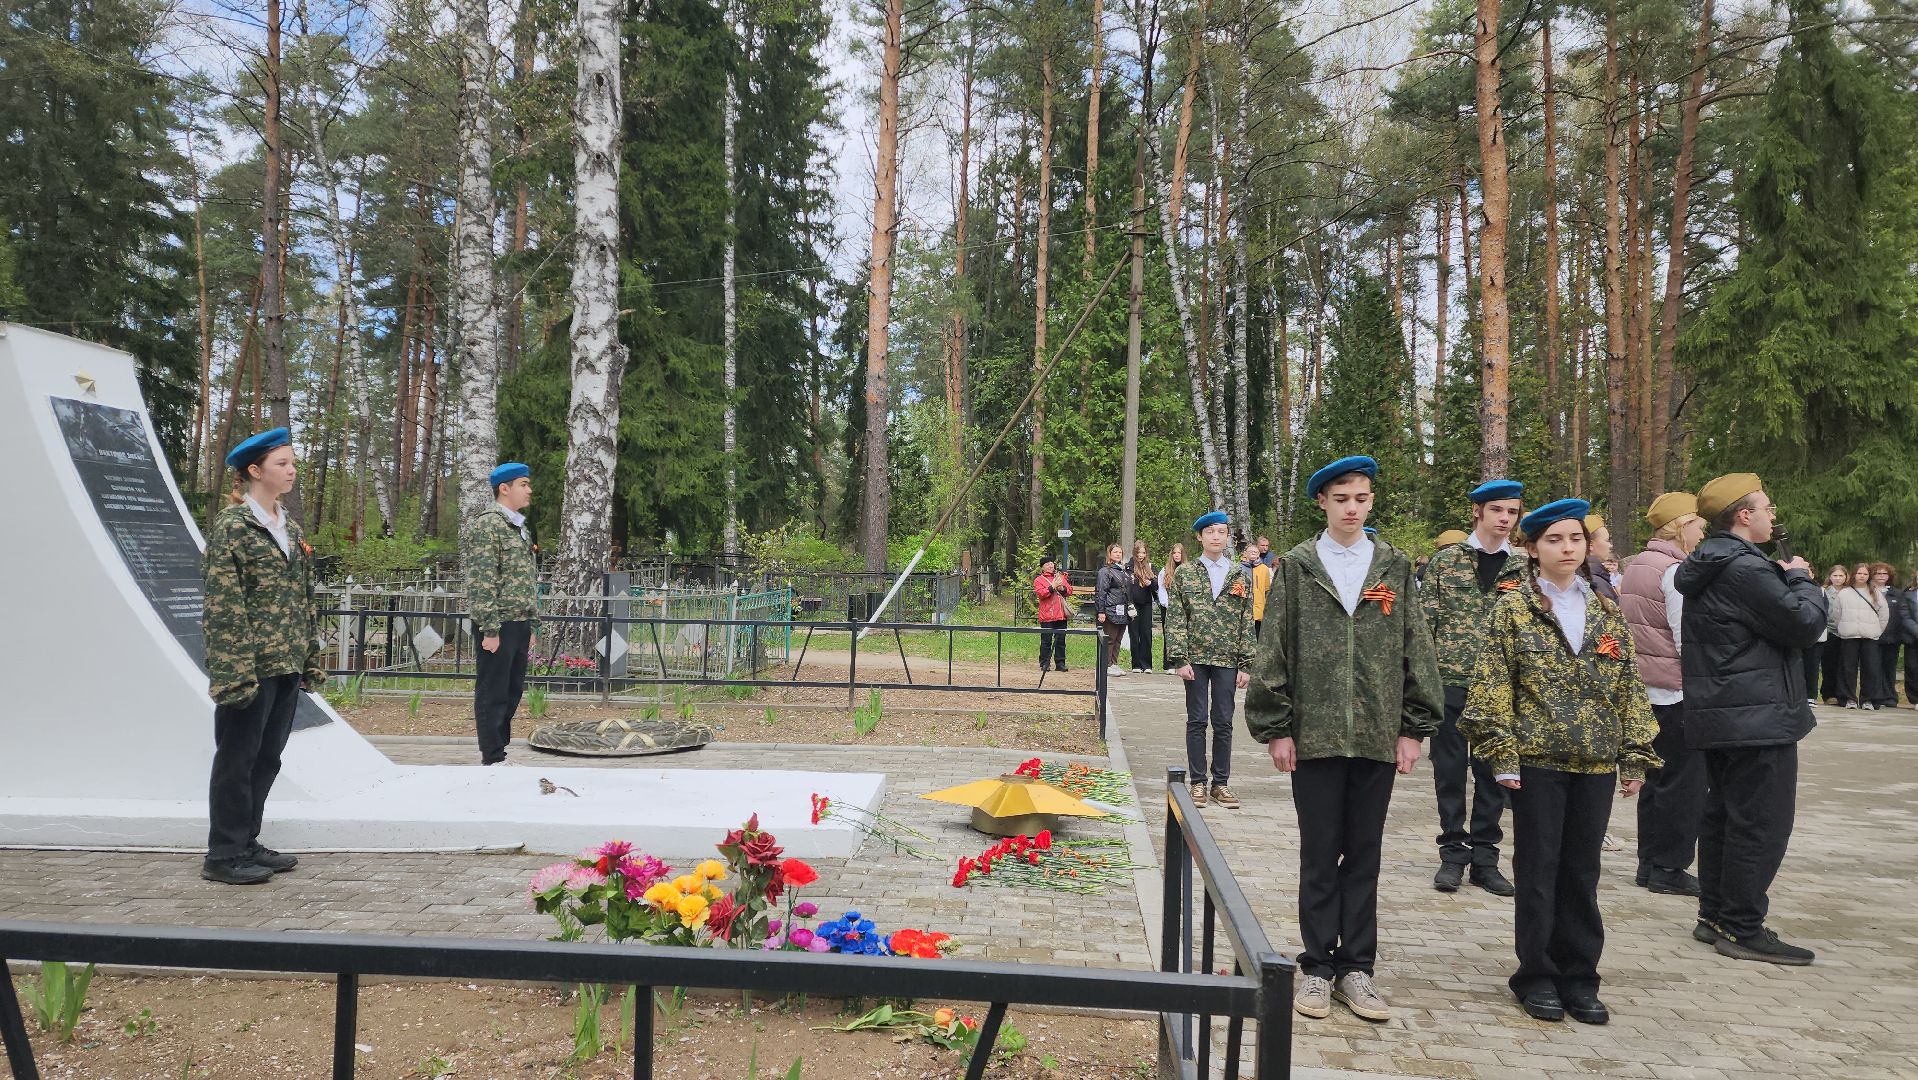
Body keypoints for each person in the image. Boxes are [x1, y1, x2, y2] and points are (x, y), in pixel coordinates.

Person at [1247, 456, 1441, 1023]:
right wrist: (1276, 727)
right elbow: (1274, 647)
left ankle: (1357, 967)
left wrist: (1413, 727)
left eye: (1361, 498)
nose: (1352, 508)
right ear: (1323, 503)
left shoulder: (1395, 567)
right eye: (1341, 498)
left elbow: (1416, 647)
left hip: (1378, 736)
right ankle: (1315, 967)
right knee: (1318, 852)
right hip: (1316, 735)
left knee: (1364, 854)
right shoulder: (1299, 567)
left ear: (1371, 501)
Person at [1461, 498, 1660, 1024]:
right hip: (1536, 761)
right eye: (1554, 539)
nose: (1567, 548)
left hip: (1594, 763)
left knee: (1582, 871)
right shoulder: (1512, 608)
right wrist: (1502, 753)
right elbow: (1493, 687)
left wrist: (1635, 754)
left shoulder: (1605, 610)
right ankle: (1537, 974)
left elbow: (1628, 686)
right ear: (1532, 549)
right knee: (1538, 870)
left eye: (1575, 538)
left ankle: (1580, 976)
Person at [1676, 473, 1825, 965]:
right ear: (1744, 515)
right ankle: (1741, 925)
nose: (1771, 514)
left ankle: (1716, 915)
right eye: (1765, 506)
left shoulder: (1713, 563)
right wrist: (1802, 579)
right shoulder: (1745, 569)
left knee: (1724, 815)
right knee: (1760, 822)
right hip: (1756, 714)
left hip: (1728, 711)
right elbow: (1803, 625)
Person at [201, 428, 328, 886]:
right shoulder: (234, 527)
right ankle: (223, 853)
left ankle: (247, 841)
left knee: (267, 758)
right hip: (249, 666)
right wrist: (233, 673)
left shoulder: (288, 526)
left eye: (293, 463)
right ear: (254, 471)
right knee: (237, 759)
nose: (291, 470)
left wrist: (310, 658)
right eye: (282, 464)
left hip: (285, 662)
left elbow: (304, 597)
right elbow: (222, 605)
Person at [1419, 479, 1525, 897]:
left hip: (1500, 689)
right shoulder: (1447, 564)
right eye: (1497, 510)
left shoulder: (1522, 568)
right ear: (1477, 512)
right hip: (1449, 682)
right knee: (1448, 772)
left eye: (1512, 512)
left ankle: (1485, 858)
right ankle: (1452, 853)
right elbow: (1424, 628)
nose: (1504, 519)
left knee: (1493, 775)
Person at [1620, 491, 1708, 897]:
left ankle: (1648, 863)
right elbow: (1684, 635)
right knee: (1683, 783)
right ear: (1681, 525)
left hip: (1647, 687)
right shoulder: (1674, 571)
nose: (1703, 531)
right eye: (1698, 524)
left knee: (1655, 778)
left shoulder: (1640, 563)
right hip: (1675, 689)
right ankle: (1668, 867)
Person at [1166, 511, 1256, 810]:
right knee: (1197, 720)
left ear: (1228, 537)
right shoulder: (1186, 573)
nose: (1216, 537)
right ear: (1199, 537)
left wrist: (1246, 664)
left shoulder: (1240, 574)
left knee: (1223, 722)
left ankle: (1221, 783)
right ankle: (1198, 783)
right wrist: (1179, 658)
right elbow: (1176, 618)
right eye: (1210, 532)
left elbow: (1247, 621)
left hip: (1228, 659)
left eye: (1221, 532)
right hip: (1196, 658)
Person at [466, 462, 541, 765]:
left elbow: (526, 579)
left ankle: (501, 751)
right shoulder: (488, 525)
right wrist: (490, 629)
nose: (529, 490)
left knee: (512, 692)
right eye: (524, 484)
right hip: (498, 623)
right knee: (493, 692)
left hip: (519, 622)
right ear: (504, 488)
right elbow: (482, 580)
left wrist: (532, 624)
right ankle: (492, 756)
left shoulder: (520, 527)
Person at [1830, 563, 1887, 710]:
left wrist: (1877, 631)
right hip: (1849, 636)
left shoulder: (1875, 593)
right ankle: (1848, 698)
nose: (1862, 576)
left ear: (1869, 576)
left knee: (1871, 668)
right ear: (1854, 574)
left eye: (1865, 574)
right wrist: (1844, 627)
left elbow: (1884, 614)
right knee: (1847, 668)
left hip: (1870, 636)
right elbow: (1837, 615)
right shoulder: (1844, 593)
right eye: (1859, 573)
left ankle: (1868, 699)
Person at [1872, 563, 1915, 709]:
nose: (1881, 576)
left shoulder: (1897, 593)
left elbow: (1901, 615)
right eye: (1878, 573)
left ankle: (1890, 697)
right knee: (1873, 667)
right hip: (1872, 636)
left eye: (1884, 574)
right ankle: (1875, 696)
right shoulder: (1867, 591)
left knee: (1889, 669)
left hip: (1892, 637)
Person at [1811, 565, 1847, 704]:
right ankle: (1828, 693)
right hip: (1830, 631)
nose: (1838, 579)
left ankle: (1842, 693)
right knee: (1829, 664)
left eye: (1841, 576)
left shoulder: (1850, 592)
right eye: (1835, 576)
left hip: (1846, 631)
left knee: (1844, 665)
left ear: (1846, 577)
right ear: (1830, 577)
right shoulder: (1824, 591)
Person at [1096, 543, 1132, 677]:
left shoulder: (1124, 571)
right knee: (1109, 638)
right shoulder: (1105, 571)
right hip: (1110, 609)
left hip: (1123, 609)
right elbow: (1101, 592)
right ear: (1109, 554)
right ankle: (1107, 665)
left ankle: (1114, 663)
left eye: (1120, 552)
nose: (1118, 554)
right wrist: (1101, 611)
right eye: (1115, 552)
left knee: (1118, 639)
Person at [1033, 555, 1073, 673]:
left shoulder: (1059, 577)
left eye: (1052, 563)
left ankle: (1060, 663)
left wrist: (1062, 588)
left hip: (1061, 614)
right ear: (1042, 568)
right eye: (1047, 564)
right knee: (1046, 641)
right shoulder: (1038, 580)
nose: (1051, 566)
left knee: (1061, 640)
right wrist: (1052, 587)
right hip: (1047, 615)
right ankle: (1044, 663)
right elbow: (1041, 594)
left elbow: (1070, 590)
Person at [1126, 541, 1158, 673]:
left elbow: (1157, 587)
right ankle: (1136, 665)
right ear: (1135, 552)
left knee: (1146, 633)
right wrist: (1129, 603)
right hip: (1133, 604)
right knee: (1134, 634)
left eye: (1143, 552)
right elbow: (1126, 586)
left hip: (1146, 604)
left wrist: (1150, 583)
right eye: (1139, 552)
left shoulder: (1151, 567)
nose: (1141, 555)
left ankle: (1147, 665)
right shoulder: (1128, 567)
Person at [1158, 543, 1186, 674]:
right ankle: (1169, 664)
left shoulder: (1188, 569)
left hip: (1184, 608)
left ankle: (1182, 663)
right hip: (1168, 607)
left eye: (1179, 553)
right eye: (1174, 553)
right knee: (1168, 634)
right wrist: (1168, 605)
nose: (1176, 555)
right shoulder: (1165, 571)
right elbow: (1162, 589)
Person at [1583, 513, 1621, 602]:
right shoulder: (1596, 582)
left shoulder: (1587, 574)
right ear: (1590, 545)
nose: (1610, 545)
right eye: (1607, 540)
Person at [1242, 541, 1274, 638]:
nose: (1253, 553)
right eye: (1251, 551)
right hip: (1244, 607)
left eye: (1255, 552)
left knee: (1257, 634)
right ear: (1245, 553)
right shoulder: (1239, 568)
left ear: (1258, 554)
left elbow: (1266, 589)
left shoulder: (1264, 569)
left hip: (1259, 607)